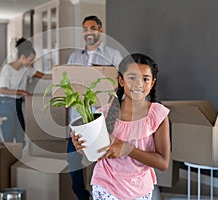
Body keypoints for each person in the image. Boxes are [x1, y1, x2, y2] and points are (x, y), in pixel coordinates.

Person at [71, 53, 171, 200]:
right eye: (132, 78)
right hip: (106, 185)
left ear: (152, 83)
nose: (138, 84)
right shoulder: (103, 114)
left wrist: (126, 149)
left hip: (140, 189)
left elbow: (163, 163)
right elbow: (93, 154)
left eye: (145, 79)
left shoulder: (158, 115)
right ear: (121, 80)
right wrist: (81, 147)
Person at [66, 15, 123, 200]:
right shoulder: (74, 56)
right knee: (74, 164)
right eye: (84, 28)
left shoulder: (113, 55)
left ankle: (106, 194)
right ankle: (83, 196)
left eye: (92, 28)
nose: (88, 32)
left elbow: (122, 82)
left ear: (100, 30)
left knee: (105, 161)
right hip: (78, 118)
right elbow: (66, 83)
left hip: (104, 119)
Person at [0, 37, 51, 146]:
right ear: (22, 57)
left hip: (17, 104)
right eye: (30, 60)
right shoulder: (7, 69)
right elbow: (2, 90)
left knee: (20, 134)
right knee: (8, 135)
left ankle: (18, 159)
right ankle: (8, 160)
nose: (31, 63)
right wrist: (21, 92)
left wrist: (59, 75)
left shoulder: (26, 69)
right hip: (6, 104)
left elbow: (43, 76)